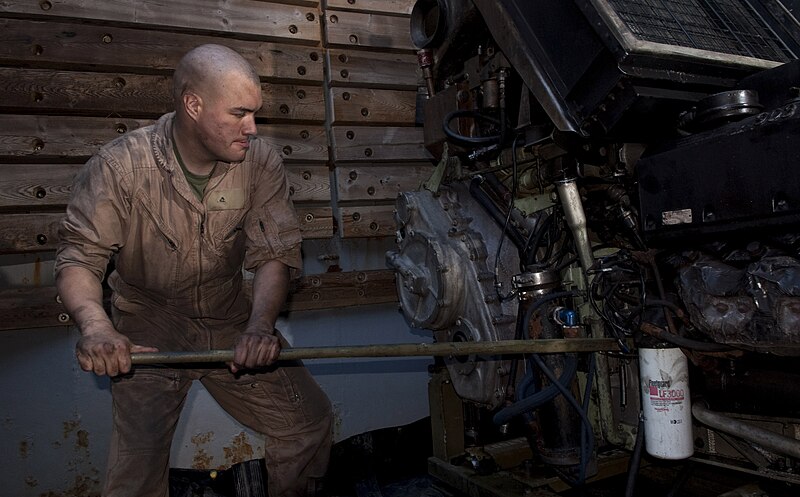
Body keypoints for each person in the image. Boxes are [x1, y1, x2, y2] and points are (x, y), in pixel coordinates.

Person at [54, 44, 333, 497]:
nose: (252, 128)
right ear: (193, 104)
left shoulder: (260, 162)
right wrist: (98, 328)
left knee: (308, 423)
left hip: (230, 319)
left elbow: (274, 254)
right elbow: (78, 258)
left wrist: (260, 328)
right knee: (136, 473)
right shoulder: (121, 167)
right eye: (239, 113)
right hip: (149, 325)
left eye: (254, 113)